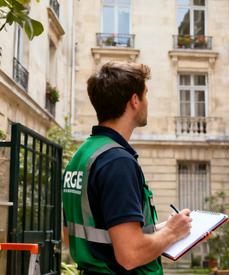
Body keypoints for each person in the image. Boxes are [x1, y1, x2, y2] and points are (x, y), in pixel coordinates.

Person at [62, 62, 193, 274]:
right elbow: (130, 255)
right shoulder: (117, 162)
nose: (147, 102)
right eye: (146, 95)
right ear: (134, 101)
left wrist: (168, 228)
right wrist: (170, 232)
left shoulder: (81, 156)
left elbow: (72, 236)